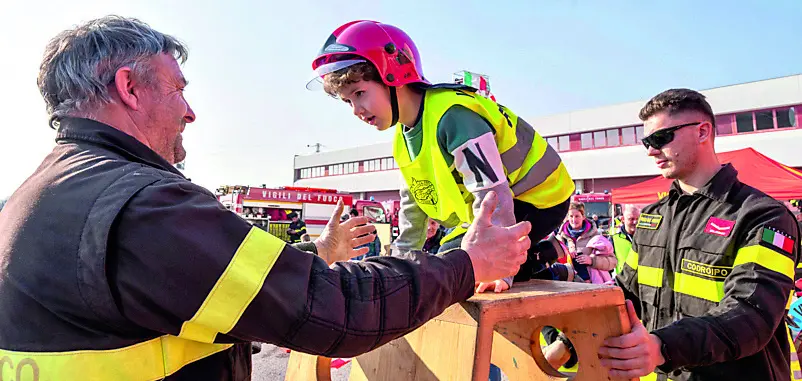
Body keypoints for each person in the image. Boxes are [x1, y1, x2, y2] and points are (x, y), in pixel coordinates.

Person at [0, 16, 534, 380]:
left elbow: (204, 285)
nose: (190, 112)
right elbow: (339, 311)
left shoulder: (33, 198)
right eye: (179, 89)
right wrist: (470, 263)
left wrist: (314, 256)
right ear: (128, 88)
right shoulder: (142, 208)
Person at [307, 20, 575, 294]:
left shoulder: (453, 116)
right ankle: (543, 255)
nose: (356, 110)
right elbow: (414, 207)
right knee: (446, 264)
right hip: (500, 206)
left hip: (539, 199)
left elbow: (493, 192)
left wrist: (501, 271)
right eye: (348, 101)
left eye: (359, 93)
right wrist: (396, 267)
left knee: (455, 267)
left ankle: (537, 262)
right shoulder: (403, 139)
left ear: (393, 75)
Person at [599, 88, 800, 380]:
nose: (651, 151)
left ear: (703, 132)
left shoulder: (762, 216)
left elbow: (752, 313)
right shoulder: (652, 218)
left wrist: (662, 347)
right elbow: (624, 294)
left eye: (660, 138)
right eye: (647, 141)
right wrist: (567, 337)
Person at [610, 204, 640, 275]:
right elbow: (609, 263)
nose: (635, 222)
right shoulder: (614, 238)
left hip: (643, 280)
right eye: (631, 219)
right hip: (624, 281)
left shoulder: (646, 236)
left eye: (637, 218)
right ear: (623, 219)